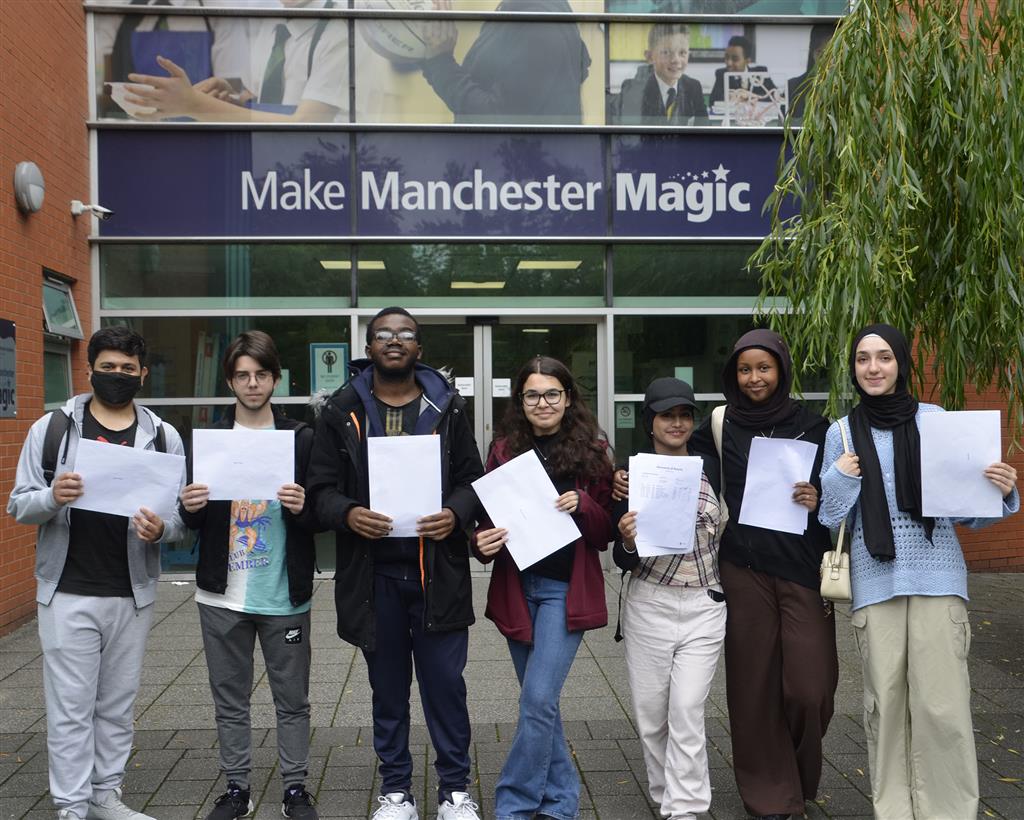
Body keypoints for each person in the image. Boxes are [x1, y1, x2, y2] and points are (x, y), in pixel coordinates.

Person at [818, 323, 1020, 820]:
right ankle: (895, 811)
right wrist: (842, 476)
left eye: (884, 357)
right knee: (884, 710)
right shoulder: (840, 432)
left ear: (901, 363)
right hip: (874, 586)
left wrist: (1002, 489)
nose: (873, 368)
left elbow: (966, 513)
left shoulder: (936, 422)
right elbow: (829, 516)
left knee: (943, 709)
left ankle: (949, 812)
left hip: (938, 580)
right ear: (853, 367)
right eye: (863, 359)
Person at [306, 307, 484, 820]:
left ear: (418, 349)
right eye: (383, 334)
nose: (394, 340)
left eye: (405, 334)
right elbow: (319, 492)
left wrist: (455, 514)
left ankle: (454, 790)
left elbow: (472, 479)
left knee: (446, 689)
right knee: (387, 691)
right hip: (373, 576)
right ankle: (397, 791)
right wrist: (348, 513)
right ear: (369, 347)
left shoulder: (447, 406)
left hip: (437, 574)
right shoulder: (340, 411)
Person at [7, 327, 186, 820]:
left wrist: (161, 530)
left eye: (128, 369)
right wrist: (52, 497)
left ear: (143, 374)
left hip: (132, 591)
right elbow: (19, 505)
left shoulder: (163, 435)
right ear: (89, 370)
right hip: (66, 589)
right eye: (108, 367)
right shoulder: (52, 429)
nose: (117, 376)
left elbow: (178, 518)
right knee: (70, 705)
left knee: (116, 704)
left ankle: (105, 796)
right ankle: (70, 804)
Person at [688, 328, 836, 820]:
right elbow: (689, 475)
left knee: (809, 690)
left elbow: (839, 502)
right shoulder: (719, 425)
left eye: (764, 368)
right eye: (745, 369)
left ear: (782, 370)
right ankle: (771, 794)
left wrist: (819, 501)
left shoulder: (818, 428)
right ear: (733, 374)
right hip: (742, 569)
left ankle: (795, 775)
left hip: (801, 570)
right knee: (752, 689)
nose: (755, 377)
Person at [177, 331, 320, 820]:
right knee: (229, 699)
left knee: (292, 700)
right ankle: (237, 788)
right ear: (230, 381)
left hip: (283, 592)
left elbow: (322, 511)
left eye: (261, 375)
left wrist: (305, 508)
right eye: (243, 375)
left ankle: (295, 789)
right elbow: (192, 517)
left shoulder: (301, 438)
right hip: (221, 595)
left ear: (275, 379)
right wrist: (189, 507)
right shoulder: (212, 441)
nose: (252, 384)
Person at [474, 355, 613, 820]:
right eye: (532, 394)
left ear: (568, 397)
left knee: (536, 700)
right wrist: (481, 542)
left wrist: (584, 505)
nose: (542, 402)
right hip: (518, 586)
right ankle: (560, 802)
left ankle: (514, 804)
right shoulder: (503, 450)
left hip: (564, 591)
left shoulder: (593, 449)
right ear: (521, 401)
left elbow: (605, 532)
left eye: (552, 393)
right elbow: (485, 522)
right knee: (541, 703)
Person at [612, 378, 726, 820]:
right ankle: (665, 795)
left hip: (704, 603)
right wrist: (625, 539)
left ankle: (687, 808)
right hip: (649, 603)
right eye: (666, 416)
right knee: (652, 715)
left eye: (683, 415)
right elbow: (622, 559)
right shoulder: (631, 476)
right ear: (650, 423)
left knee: (687, 708)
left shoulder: (712, 467)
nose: (676, 423)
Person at [123, 0, 349, 123]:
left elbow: (306, 124)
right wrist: (232, 99)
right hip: (263, 168)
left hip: (316, 183)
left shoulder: (342, 29)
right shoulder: (271, 24)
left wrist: (193, 104)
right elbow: (256, 98)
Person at [420, 0, 591, 124]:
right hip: (497, 166)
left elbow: (499, 116)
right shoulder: (516, 13)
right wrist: (434, 55)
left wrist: (440, 63)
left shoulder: (540, 26)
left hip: (515, 169)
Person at [608, 23, 708, 125]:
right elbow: (630, 137)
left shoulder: (693, 87)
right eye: (666, 52)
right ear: (650, 57)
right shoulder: (633, 90)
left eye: (682, 53)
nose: (676, 60)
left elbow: (704, 130)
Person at [709, 35, 777, 108]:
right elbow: (713, 101)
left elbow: (775, 96)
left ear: (747, 61)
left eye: (735, 59)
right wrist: (731, 97)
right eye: (726, 57)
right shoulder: (721, 74)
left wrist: (750, 96)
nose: (729, 63)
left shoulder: (760, 72)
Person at [786, 23, 835, 120]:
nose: (826, 60)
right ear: (812, 53)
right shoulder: (793, 86)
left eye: (831, 53)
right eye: (820, 52)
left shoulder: (851, 87)